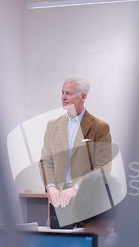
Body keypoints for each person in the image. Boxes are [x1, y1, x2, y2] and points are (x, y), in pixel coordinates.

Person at [39, 75, 112, 227]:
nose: (63, 97)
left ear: (83, 96)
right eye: (62, 92)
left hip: (87, 203)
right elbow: (46, 160)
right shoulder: (52, 125)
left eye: (69, 93)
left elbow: (103, 167)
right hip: (58, 203)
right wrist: (50, 186)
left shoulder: (99, 127)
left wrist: (76, 188)